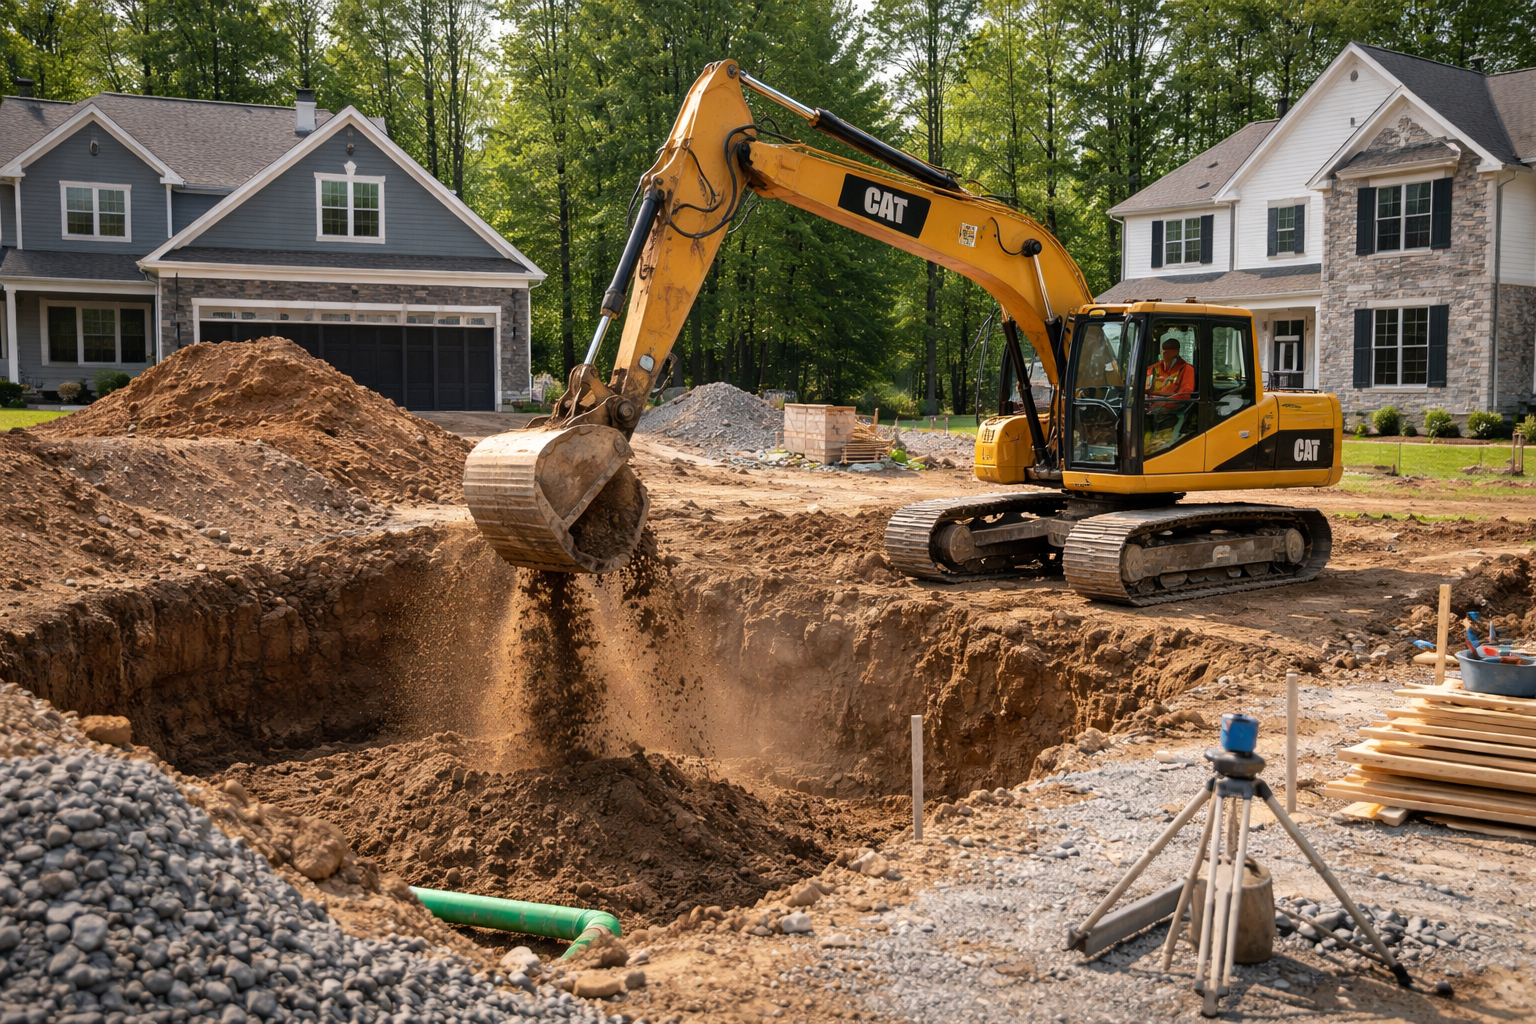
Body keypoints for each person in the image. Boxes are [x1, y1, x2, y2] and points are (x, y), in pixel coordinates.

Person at [1145, 335, 1196, 454]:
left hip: (1174, 415)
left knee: (1159, 448)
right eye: (1164, 353)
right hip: (1150, 414)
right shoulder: (1154, 368)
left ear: (1177, 353)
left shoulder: (1186, 369)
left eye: (1168, 353)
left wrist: (1163, 403)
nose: (1165, 356)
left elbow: (1185, 395)